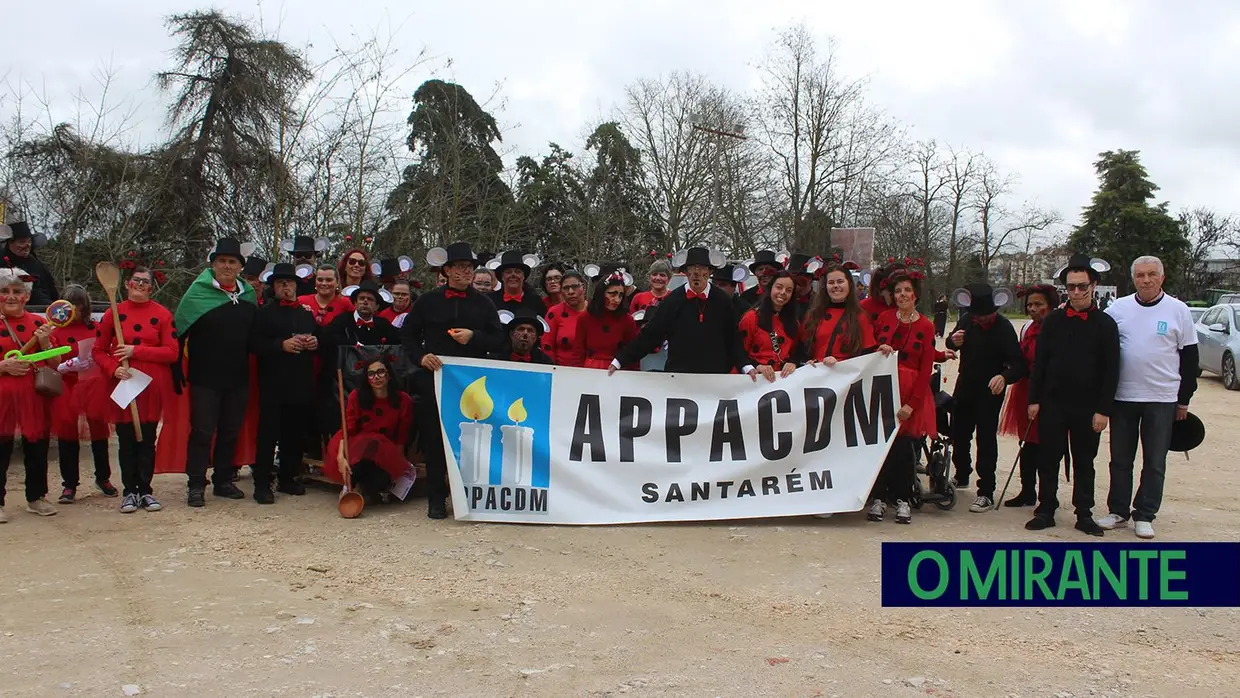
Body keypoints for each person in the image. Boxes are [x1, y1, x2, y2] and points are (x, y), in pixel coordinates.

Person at [1098, 255, 1199, 539]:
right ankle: (1118, 511)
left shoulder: (1178, 310)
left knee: (1155, 460)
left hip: (1162, 397)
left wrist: (1184, 399)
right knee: (1120, 458)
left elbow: (1190, 358)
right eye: (1140, 275)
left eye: (1151, 274)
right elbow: (1102, 347)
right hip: (1124, 397)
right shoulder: (1118, 309)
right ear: (1133, 279)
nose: (1146, 280)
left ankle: (1145, 514)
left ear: (1161, 277)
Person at [402, 242, 504, 519]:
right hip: (433, 379)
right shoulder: (427, 301)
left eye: (469, 267)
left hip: (471, 385)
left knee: (470, 441)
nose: (465, 272)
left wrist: (475, 337)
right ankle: (436, 498)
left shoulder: (484, 303)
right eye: (459, 267)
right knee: (435, 440)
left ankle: (468, 497)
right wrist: (421, 357)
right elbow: (408, 336)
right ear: (446, 270)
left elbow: (498, 339)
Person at [1024, 255, 1120, 536]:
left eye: (1082, 286)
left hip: (1088, 406)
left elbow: (1111, 370)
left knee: (1083, 460)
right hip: (1053, 402)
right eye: (1071, 287)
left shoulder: (1105, 324)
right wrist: (1034, 399)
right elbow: (1039, 363)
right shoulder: (1052, 322)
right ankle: (1045, 509)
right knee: (1048, 457)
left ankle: (1084, 512)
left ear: (1094, 285)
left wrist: (1104, 409)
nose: (1076, 292)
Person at [174, 237, 259, 507]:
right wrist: (176, 366)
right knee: (202, 431)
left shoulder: (248, 295)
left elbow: (256, 336)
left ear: (240, 267)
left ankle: (223, 479)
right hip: (204, 376)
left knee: (230, 430)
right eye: (221, 261)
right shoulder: (197, 293)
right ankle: (196, 483)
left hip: (237, 376)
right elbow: (177, 332)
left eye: (231, 262)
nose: (226, 265)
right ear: (212, 264)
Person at [86, 266, 178, 513]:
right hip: (124, 382)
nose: (140, 285)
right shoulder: (112, 314)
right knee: (126, 439)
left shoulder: (162, 314)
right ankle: (129, 491)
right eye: (136, 280)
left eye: (145, 282)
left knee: (147, 438)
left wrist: (136, 351)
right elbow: (98, 350)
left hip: (151, 384)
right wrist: (113, 368)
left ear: (151, 287)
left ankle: (145, 490)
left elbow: (172, 352)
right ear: (127, 283)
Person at [612, 247, 755, 377]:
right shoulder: (672, 300)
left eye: (702, 268)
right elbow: (651, 335)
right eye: (692, 268)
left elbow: (733, 338)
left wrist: (746, 366)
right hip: (679, 376)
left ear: (710, 272)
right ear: (685, 272)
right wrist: (619, 361)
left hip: (714, 377)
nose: (696, 273)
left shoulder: (722, 300)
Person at [945, 283, 1025, 512]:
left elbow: (1018, 363)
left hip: (991, 390)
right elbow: (952, 343)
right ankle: (961, 474)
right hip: (965, 384)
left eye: (984, 317)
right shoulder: (967, 320)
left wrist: (1004, 376)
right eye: (976, 317)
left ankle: (986, 491)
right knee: (958, 433)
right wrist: (953, 341)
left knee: (986, 438)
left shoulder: (1004, 327)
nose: (979, 321)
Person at [251, 263, 320, 504]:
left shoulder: (305, 312)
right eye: (281, 283)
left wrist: (313, 343)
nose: (286, 286)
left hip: (300, 382)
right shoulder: (263, 313)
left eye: (289, 282)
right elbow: (255, 344)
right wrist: (280, 345)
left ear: (296, 286)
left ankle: (288, 478)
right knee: (268, 435)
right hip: (273, 383)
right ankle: (262, 483)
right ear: (274, 287)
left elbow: (316, 336)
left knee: (294, 434)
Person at [0, 267, 58, 520]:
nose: (11, 296)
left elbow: (57, 363)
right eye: (4, 291)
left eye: (17, 292)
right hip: (2, 397)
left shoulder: (40, 324)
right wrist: (3, 366)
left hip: (34, 396)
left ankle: (37, 497)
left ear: (26, 296)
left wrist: (45, 343)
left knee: (37, 446)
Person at [50, 285, 116, 503]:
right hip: (68, 388)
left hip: (93, 385)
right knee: (67, 436)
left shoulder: (96, 328)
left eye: (78, 305)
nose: (75, 310)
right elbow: (49, 360)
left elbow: (108, 348)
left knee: (99, 433)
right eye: (70, 305)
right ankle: (69, 485)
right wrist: (65, 365)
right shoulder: (54, 332)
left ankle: (103, 478)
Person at [998, 284, 1058, 507]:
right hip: (1025, 391)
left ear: (1050, 306)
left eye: (1039, 305)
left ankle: (1047, 495)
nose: (1033, 308)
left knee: (1046, 445)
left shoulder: (1056, 329)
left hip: (1047, 393)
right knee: (1026, 443)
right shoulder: (1027, 329)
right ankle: (1027, 490)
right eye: (1030, 304)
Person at [328, 353, 414, 504]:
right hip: (356, 447)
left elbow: (402, 434)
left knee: (380, 479)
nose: (376, 377)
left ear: (389, 375)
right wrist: (341, 457)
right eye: (371, 374)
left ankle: (365, 487)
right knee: (360, 460)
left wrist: (398, 463)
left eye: (381, 372)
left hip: (385, 450)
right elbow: (348, 428)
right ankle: (350, 489)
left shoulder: (403, 400)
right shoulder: (357, 396)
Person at [800, 263, 875, 366]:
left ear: (849, 284)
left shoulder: (861, 316)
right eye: (831, 282)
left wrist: (840, 363)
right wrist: (806, 362)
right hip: (816, 376)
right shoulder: (814, 315)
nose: (835, 286)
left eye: (840, 281)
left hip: (845, 377)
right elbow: (803, 349)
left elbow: (867, 356)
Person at [737, 271, 802, 380]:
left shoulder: (794, 322)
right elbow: (740, 352)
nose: (783, 292)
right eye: (779, 287)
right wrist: (757, 366)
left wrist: (793, 363)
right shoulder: (751, 318)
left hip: (783, 381)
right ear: (771, 288)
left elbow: (798, 351)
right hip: (756, 379)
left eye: (789, 290)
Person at [575, 271, 639, 370]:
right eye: (612, 294)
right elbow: (578, 354)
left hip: (617, 373)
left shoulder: (627, 320)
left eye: (620, 295)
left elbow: (632, 354)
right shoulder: (585, 318)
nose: (617, 300)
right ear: (601, 293)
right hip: (589, 372)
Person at [325, 281, 400, 349]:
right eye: (361, 298)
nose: (365, 302)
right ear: (355, 303)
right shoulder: (342, 320)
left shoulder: (383, 324)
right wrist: (352, 343)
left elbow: (398, 340)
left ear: (377, 306)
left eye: (370, 299)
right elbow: (328, 337)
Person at [0, 222, 58, 304]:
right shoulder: (2, 262)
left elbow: (50, 289)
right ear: (10, 243)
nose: (27, 245)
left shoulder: (36, 264)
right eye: (22, 242)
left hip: (40, 311)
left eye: (29, 241)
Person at [543, 270, 588, 366]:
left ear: (583, 287)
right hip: (560, 372)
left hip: (592, 372)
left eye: (575, 287)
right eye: (566, 288)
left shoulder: (595, 311)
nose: (571, 292)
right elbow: (547, 346)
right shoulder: (554, 313)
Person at [488, 251, 547, 317]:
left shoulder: (536, 301)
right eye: (508, 272)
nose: (513, 275)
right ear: (502, 277)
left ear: (523, 276)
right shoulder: (490, 301)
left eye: (517, 272)